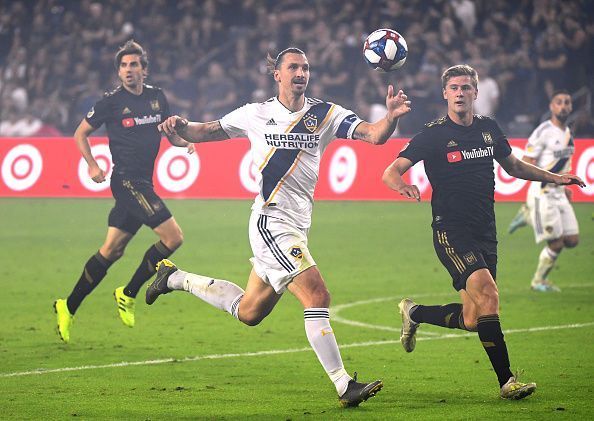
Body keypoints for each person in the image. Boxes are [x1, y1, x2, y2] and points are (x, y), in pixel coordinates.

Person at [146, 47, 411, 407]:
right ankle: (343, 384)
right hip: (270, 222)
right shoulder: (256, 114)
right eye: (293, 67)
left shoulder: (327, 114)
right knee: (317, 296)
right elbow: (204, 131)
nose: (300, 73)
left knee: (250, 312)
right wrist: (179, 126)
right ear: (278, 75)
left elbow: (375, 135)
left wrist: (392, 117)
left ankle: (173, 278)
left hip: (296, 226)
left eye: (305, 68)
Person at [382, 65, 584, 400]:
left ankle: (413, 312)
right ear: (445, 94)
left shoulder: (489, 129)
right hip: (450, 231)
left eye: (466, 88)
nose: (460, 93)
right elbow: (391, 171)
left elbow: (515, 166)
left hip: (484, 231)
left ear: (476, 92)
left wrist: (556, 177)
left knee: (475, 317)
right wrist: (402, 185)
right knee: (489, 296)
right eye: (454, 88)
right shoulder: (432, 134)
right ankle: (508, 382)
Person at [53, 40, 194, 343]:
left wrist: (185, 143)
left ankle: (67, 306)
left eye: (134, 64)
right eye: (124, 66)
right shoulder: (111, 102)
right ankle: (128, 293)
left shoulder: (157, 98)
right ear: (119, 71)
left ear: (144, 69)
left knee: (112, 250)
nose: (129, 70)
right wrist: (92, 165)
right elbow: (81, 133)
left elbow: (170, 135)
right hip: (128, 182)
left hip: (144, 182)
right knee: (173, 237)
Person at [508, 90, 579, 292]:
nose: (563, 106)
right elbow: (526, 163)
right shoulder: (543, 131)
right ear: (552, 106)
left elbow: (565, 163)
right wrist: (549, 179)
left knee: (572, 241)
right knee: (556, 243)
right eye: (559, 102)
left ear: (571, 107)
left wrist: (565, 187)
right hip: (543, 193)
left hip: (559, 193)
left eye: (567, 102)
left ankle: (528, 216)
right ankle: (538, 281)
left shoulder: (568, 134)